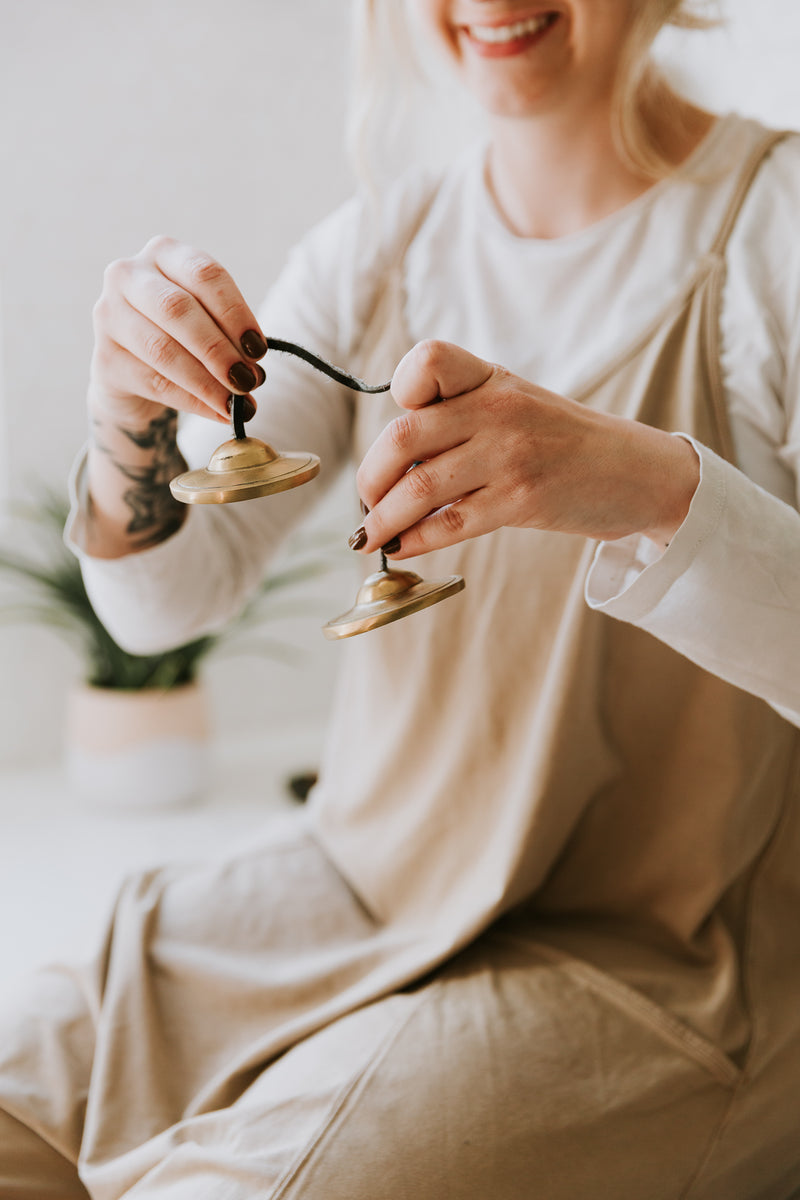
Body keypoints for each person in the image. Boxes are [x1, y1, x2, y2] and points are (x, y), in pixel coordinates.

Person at [2, 0, 799, 1196]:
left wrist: (647, 484)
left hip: (658, 964)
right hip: (354, 888)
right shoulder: (379, 248)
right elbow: (160, 611)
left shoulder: (769, 230)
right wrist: (129, 417)